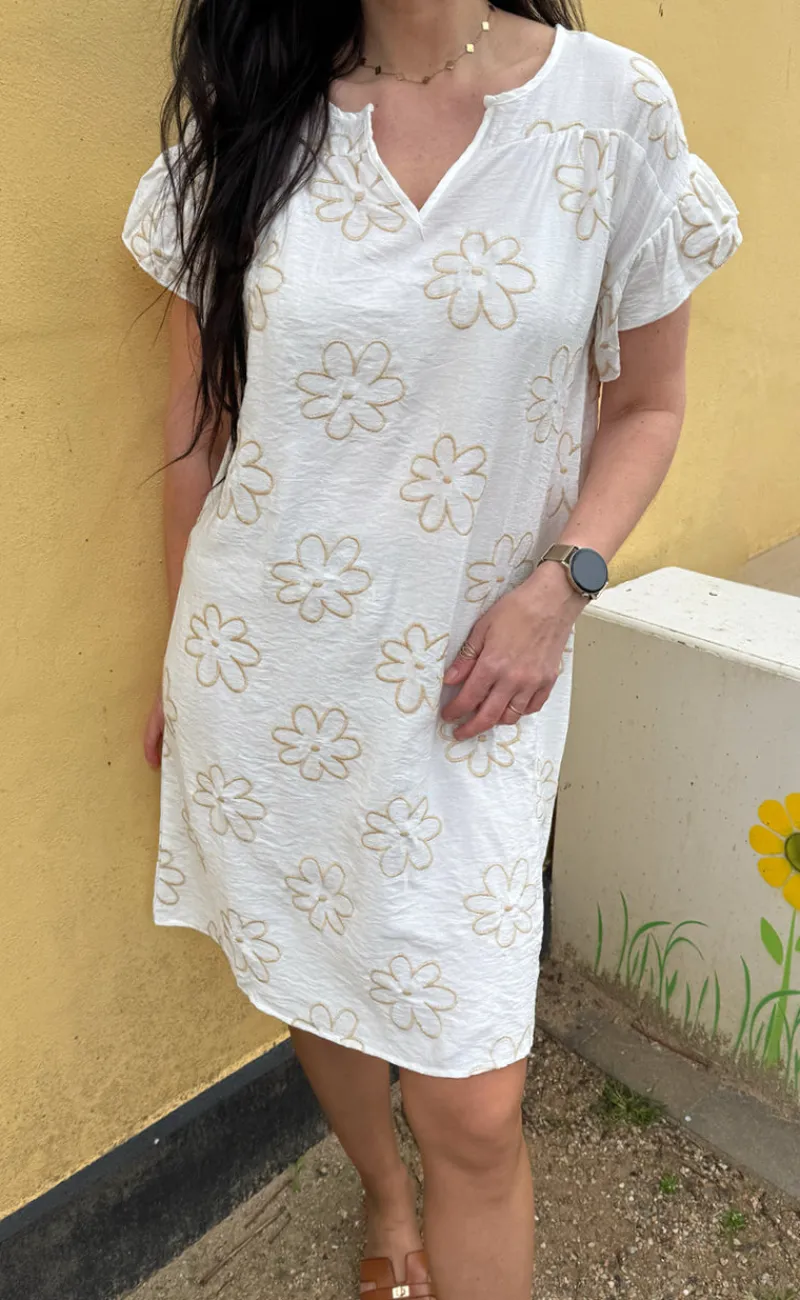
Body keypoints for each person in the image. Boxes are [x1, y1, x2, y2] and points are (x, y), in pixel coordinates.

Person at [121, 2, 741, 1296]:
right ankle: (385, 1201)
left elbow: (650, 402)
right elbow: (198, 429)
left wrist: (564, 582)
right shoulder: (254, 124)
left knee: (475, 1102)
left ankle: (424, 1189)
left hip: (477, 687)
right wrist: (183, 655)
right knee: (318, 962)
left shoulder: (608, 110)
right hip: (267, 671)